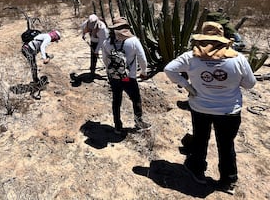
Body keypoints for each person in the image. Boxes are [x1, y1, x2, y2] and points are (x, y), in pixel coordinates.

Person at [164, 21, 256, 195]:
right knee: (226, 144)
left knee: (200, 140)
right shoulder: (237, 58)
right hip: (229, 110)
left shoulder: (191, 57)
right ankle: (228, 180)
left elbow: (169, 69)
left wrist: (188, 86)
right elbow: (250, 84)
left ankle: (197, 171)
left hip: (200, 108)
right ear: (222, 38)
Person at [102, 17, 151, 135]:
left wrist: (113, 72)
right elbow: (142, 59)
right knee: (135, 99)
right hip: (128, 77)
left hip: (114, 77)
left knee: (116, 100)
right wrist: (144, 72)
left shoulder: (107, 42)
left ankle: (117, 126)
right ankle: (139, 123)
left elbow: (105, 60)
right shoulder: (133, 41)